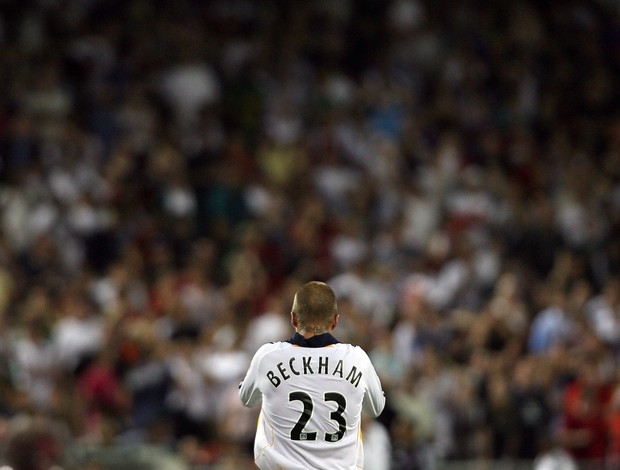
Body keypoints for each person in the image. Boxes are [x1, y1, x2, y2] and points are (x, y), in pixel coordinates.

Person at [239, 281, 386, 469]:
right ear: (335, 321)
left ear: (293, 319)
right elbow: (376, 409)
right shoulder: (358, 359)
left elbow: (246, 400)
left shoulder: (268, 356)